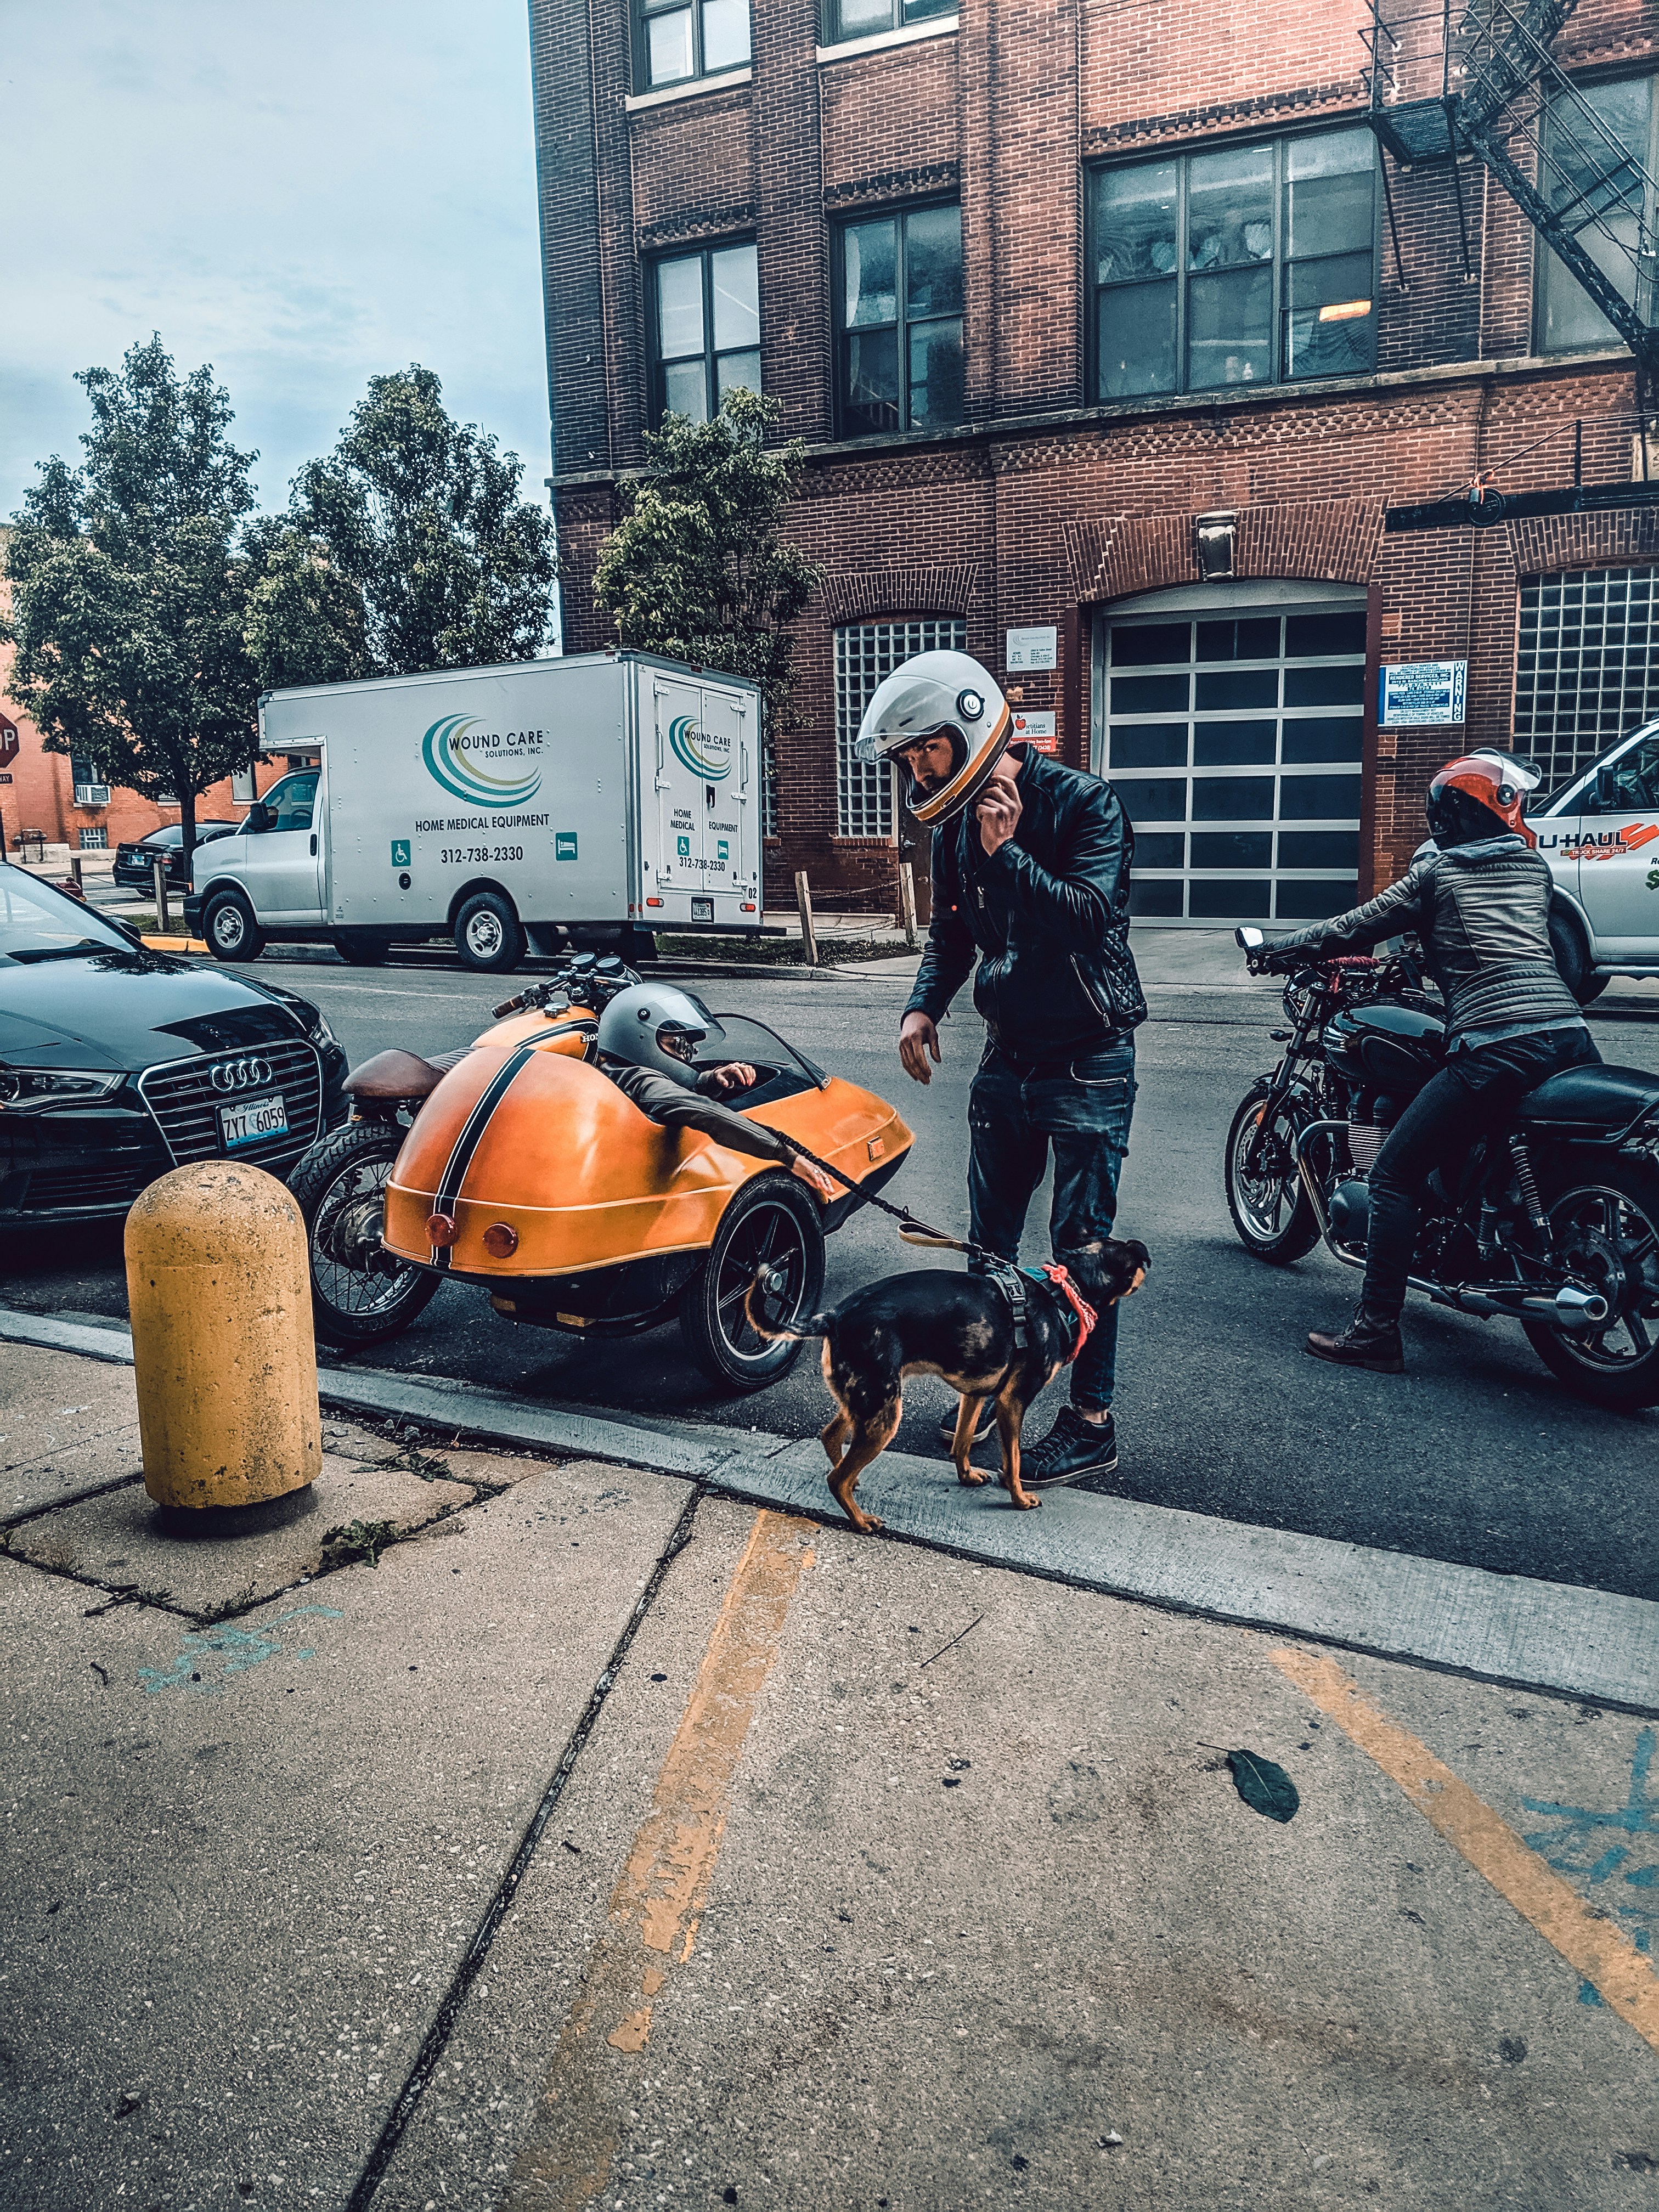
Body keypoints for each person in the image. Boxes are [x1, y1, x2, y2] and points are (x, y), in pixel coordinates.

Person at [858, 647, 1146, 1486]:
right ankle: (987, 1393)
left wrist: (1011, 852)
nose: (917, 769)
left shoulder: (1083, 804)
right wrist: (923, 1005)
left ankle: (1090, 1422)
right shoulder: (953, 830)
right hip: (1006, 1055)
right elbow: (953, 933)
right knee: (989, 1247)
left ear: (973, 726)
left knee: (1080, 1251)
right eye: (908, 758)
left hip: (1089, 1057)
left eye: (926, 751)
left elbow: (1090, 922)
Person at [1260, 746, 1602, 1374]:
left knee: (1392, 1177)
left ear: (1444, 817)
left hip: (1498, 1043)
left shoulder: (1437, 874)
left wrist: (1276, 949)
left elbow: (1353, 927)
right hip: (1569, 1035)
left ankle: (1375, 1332)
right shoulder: (1534, 870)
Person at [592, 983, 837, 1200]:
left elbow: (680, 1086)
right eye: (678, 1044)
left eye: (689, 1047)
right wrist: (787, 1155)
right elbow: (702, 1111)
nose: (686, 1054)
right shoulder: (639, 1079)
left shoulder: (611, 1068)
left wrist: (710, 1080)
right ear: (638, 1037)